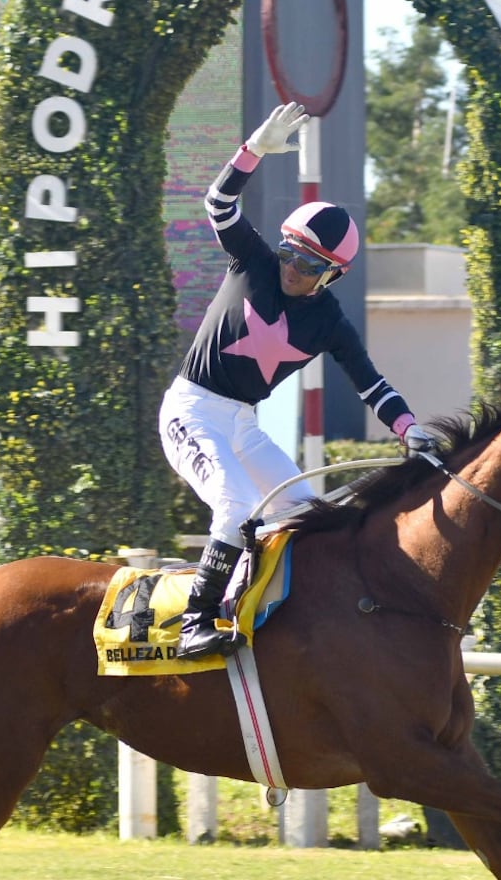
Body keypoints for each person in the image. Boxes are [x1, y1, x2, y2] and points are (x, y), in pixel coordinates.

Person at [159, 101, 439, 659]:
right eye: (289, 254)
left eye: (308, 266)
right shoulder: (253, 261)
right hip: (190, 411)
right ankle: (194, 621)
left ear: (332, 275)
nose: (290, 269)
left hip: (242, 425)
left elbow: (372, 385)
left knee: (308, 515)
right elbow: (218, 203)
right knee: (237, 507)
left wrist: (409, 430)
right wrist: (253, 152)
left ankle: (282, 616)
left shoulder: (331, 322)